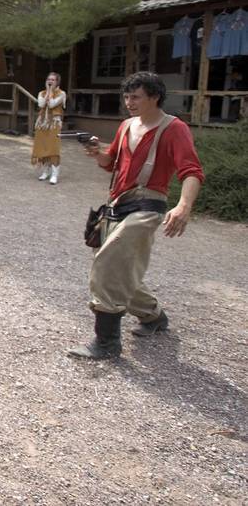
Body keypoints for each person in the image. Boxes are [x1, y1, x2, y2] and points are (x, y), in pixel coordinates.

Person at [68, 72, 204, 360]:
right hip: (118, 203)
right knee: (120, 267)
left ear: (154, 97)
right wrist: (98, 154)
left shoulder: (174, 128)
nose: (129, 102)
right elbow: (111, 163)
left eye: (136, 97)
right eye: (127, 96)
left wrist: (183, 206)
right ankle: (153, 316)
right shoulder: (126, 125)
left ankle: (106, 343)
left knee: (108, 262)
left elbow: (192, 171)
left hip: (148, 205)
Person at [31, 72, 66, 184]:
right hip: (42, 123)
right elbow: (41, 105)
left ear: (57, 82)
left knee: (53, 148)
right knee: (43, 147)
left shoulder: (62, 94)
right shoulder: (41, 93)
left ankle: (55, 174)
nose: (50, 81)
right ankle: (46, 172)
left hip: (54, 123)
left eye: (53, 80)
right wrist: (47, 92)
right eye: (48, 79)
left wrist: (50, 91)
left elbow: (51, 104)